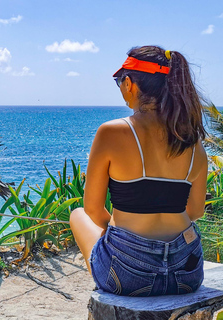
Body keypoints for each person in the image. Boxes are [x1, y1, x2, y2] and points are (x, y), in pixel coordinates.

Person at [69, 46, 208, 296]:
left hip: (128, 274)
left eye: (119, 81)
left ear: (130, 84)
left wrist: (126, 240)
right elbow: (196, 211)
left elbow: (92, 209)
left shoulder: (112, 132)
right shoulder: (192, 140)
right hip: (187, 272)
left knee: (77, 214)